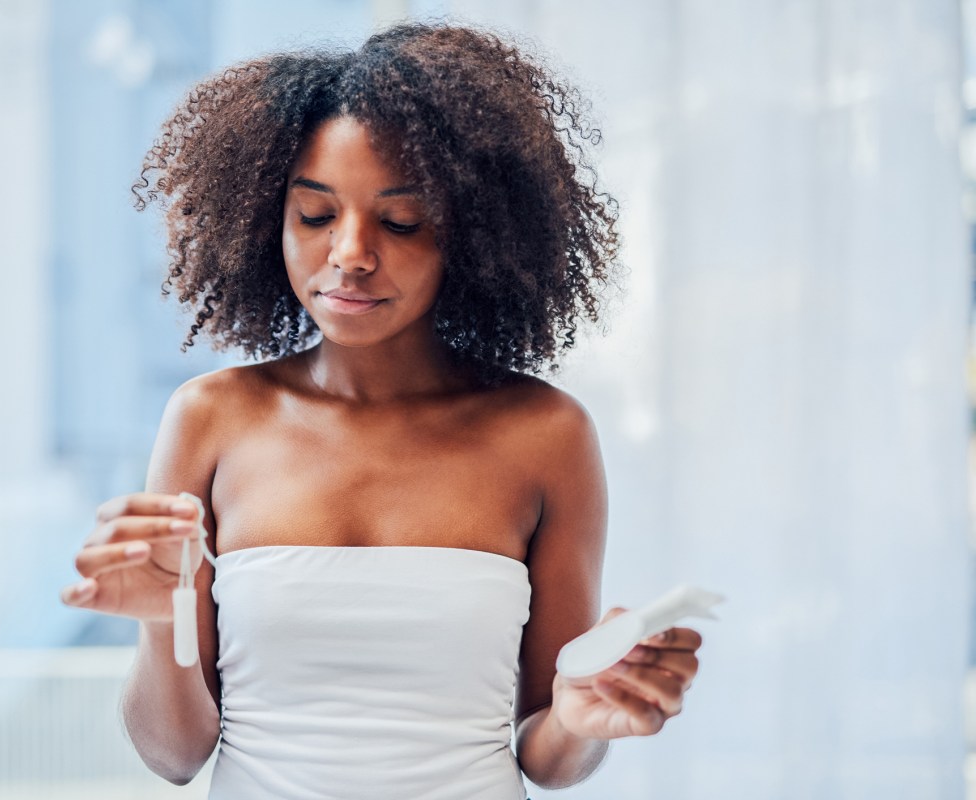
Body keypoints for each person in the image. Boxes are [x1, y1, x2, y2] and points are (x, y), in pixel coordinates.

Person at [60, 21, 703, 799]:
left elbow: (546, 752)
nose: (352, 252)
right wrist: (162, 624)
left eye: (401, 221)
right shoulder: (211, 418)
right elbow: (175, 756)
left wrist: (579, 713)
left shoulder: (545, 434)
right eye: (316, 215)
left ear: (470, 235)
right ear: (271, 221)